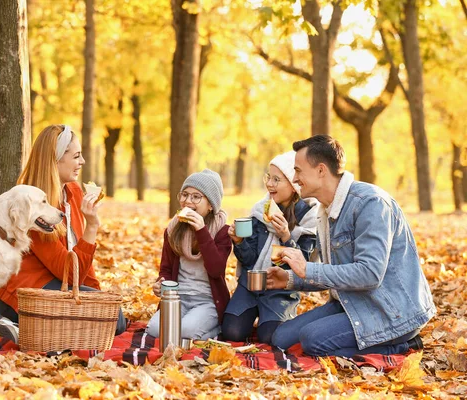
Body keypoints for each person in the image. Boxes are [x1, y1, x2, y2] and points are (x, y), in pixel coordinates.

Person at [267, 135, 436, 357]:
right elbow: (334, 274)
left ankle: (404, 345)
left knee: (312, 341)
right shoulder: (325, 211)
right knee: (281, 338)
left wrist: (307, 268)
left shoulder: (371, 204)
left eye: (298, 171)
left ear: (320, 170)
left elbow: (369, 274)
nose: (295, 178)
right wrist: (289, 279)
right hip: (350, 302)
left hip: (390, 311)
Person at [0, 124, 127, 341]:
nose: (81, 162)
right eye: (76, 156)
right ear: (55, 159)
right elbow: (69, 272)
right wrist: (92, 227)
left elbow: (80, 266)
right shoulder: (34, 206)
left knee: (111, 315)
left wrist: (96, 295)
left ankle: (25, 328)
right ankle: (17, 324)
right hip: (24, 294)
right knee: (113, 320)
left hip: (57, 285)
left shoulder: (72, 191)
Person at [221, 151, 317, 345]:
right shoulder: (260, 210)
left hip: (280, 289)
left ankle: (282, 316)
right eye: (268, 177)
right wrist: (239, 242)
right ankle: (252, 311)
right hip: (251, 283)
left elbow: (303, 267)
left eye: (276, 179)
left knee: (270, 337)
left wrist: (286, 237)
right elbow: (249, 260)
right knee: (232, 332)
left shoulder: (309, 216)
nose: (269, 184)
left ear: (293, 184)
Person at [146, 169, 231, 340]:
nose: (188, 201)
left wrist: (201, 231)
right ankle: (199, 331)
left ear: (210, 205)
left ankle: (215, 329)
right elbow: (166, 269)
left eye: (196, 197)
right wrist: (160, 282)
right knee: (154, 330)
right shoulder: (173, 229)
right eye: (184, 195)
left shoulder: (222, 232)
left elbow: (216, 270)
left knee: (185, 331)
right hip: (178, 299)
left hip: (207, 301)